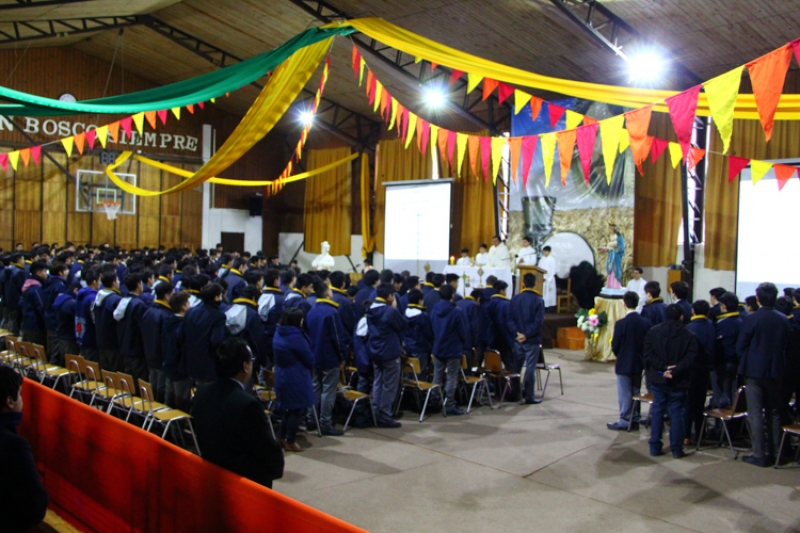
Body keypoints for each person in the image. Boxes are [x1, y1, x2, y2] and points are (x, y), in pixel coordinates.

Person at [192, 337, 284, 488]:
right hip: (243, 482)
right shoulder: (248, 404)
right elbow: (266, 449)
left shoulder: (201, 392)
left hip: (211, 473)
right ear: (245, 366)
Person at [737, 282, 789, 467]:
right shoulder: (784, 319)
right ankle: (777, 452)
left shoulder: (752, 319)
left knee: (756, 413)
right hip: (776, 371)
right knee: (774, 412)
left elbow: (741, 345)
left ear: (757, 299)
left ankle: (759, 454)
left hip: (754, 371)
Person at [643, 304, 697, 458]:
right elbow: (691, 357)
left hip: (659, 378)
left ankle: (654, 446)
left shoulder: (653, 332)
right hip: (679, 379)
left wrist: (663, 368)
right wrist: (675, 369)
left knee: (658, 411)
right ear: (681, 316)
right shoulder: (689, 334)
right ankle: (676, 449)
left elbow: (649, 355)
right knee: (677, 412)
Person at [0, 366, 49, 532]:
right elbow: (34, 507)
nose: (22, 400)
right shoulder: (14, 446)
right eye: (19, 394)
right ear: (10, 401)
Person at [306, 280, 348, 436]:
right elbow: (337, 338)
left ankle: (312, 419)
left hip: (313, 355)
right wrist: (343, 356)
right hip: (329, 357)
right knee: (328, 391)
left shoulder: (311, 310)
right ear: (328, 293)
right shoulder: (332, 312)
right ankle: (325, 422)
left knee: (315, 387)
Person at [273, 308, 317, 452]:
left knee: (288, 408)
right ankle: (290, 441)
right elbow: (308, 358)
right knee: (296, 410)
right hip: (296, 376)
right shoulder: (295, 336)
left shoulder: (279, 332)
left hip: (282, 374)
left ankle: (280, 436)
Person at [366, 282, 406, 428]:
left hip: (375, 350)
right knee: (390, 385)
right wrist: (394, 307)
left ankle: (375, 412)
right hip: (389, 351)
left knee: (377, 383)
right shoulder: (390, 311)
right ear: (389, 296)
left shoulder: (370, 308)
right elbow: (402, 326)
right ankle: (385, 415)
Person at [608, 291, 650, 430]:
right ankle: (635, 417)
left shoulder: (621, 324)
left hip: (624, 362)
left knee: (625, 392)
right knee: (636, 390)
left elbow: (616, 346)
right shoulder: (645, 322)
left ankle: (626, 419)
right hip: (639, 362)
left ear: (624, 304)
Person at [430, 284, 468, 415]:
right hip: (453, 348)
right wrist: (462, 342)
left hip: (438, 347)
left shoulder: (434, 310)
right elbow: (462, 332)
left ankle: (435, 401)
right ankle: (449, 404)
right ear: (452, 296)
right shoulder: (456, 312)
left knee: (437, 375)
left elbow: (432, 328)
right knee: (452, 377)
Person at [510, 273, 545, 405]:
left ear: (523, 283)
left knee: (516, 368)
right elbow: (538, 322)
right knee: (530, 368)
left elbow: (510, 319)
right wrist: (527, 334)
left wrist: (517, 333)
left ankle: (515, 393)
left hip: (517, 339)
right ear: (535, 283)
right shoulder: (538, 300)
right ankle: (529, 396)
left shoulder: (515, 299)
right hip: (531, 340)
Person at [183, 283, 227, 384]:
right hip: (208, 363)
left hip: (191, 360)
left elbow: (182, 334)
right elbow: (216, 341)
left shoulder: (191, 311)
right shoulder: (218, 316)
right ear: (216, 297)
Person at [685, 300, 715, 444]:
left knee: (688, 404)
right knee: (700, 404)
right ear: (708, 312)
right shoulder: (712, 327)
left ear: (693, 311)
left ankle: (686, 434)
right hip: (705, 371)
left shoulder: (688, 328)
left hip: (691, 371)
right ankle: (700, 433)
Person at [141, 282, 175, 403]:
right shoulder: (166, 315)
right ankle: (158, 418)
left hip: (149, 355)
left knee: (152, 386)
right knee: (160, 390)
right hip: (161, 358)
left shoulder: (148, 310)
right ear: (166, 296)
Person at [115, 273, 149, 382]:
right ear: (139, 285)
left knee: (129, 380)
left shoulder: (122, 300)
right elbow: (143, 328)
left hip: (124, 347)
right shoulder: (139, 304)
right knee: (140, 381)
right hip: (136, 349)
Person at [711, 292, 742, 409]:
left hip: (722, 364)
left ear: (723, 306)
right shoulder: (741, 322)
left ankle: (720, 425)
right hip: (736, 363)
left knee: (719, 395)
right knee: (733, 393)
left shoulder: (721, 324)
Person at [163, 292, 192, 412]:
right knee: (182, 403)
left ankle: (168, 429)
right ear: (183, 307)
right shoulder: (183, 325)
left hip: (168, 365)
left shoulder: (167, 321)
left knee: (169, 400)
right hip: (181, 369)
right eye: (189, 303)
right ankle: (178, 428)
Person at [94, 269, 123, 372]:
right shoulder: (115, 299)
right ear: (114, 283)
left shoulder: (98, 295)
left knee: (106, 373)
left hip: (100, 339)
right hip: (112, 342)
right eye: (118, 280)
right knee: (116, 372)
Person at [403, 289, 434, 380]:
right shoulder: (422, 316)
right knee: (420, 374)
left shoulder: (405, 313)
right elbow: (428, 333)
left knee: (409, 373)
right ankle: (421, 394)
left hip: (408, 347)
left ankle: (408, 393)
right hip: (420, 348)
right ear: (420, 300)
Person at [486, 280, 515, 372]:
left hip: (491, 338)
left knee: (493, 366)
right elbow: (504, 323)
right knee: (510, 366)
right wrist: (510, 341)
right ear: (501, 291)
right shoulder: (506, 304)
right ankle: (511, 385)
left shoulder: (489, 303)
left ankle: (493, 385)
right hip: (503, 340)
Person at [43, 262, 68, 365]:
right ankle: (51, 379)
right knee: (56, 351)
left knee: (50, 348)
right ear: (60, 272)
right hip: (55, 321)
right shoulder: (59, 286)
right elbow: (59, 305)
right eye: (66, 270)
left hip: (47, 318)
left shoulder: (48, 282)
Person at [457, 289, 488, 368]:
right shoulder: (474, 306)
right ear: (479, 299)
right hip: (469, 342)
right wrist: (476, 343)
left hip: (457, 342)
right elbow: (476, 326)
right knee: (469, 368)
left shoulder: (458, 303)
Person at [20, 260, 48, 346]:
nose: (46, 274)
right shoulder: (36, 288)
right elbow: (41, 307)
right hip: (35, 326)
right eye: (44, 271)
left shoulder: (28, 284)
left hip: (26, 323)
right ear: (39, 273)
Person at [75, 268, 101, 362]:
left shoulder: (80, 294)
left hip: (81, 333)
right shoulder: (92, 298)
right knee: (92, 367)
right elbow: (95, 319)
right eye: (99, 281)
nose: (100, 283)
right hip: (90, 337)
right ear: (94, 282)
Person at [53, 282, 81, 359]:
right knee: (72, 362)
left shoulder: (60, 299)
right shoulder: (71, 304)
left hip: (61, 335)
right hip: (70, 336)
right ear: (76, 290)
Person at [599, 223, 625, 289]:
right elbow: (609, 248)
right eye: (609, 228)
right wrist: (604, 249)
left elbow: (622, 247)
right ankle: (610, 285)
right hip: (611, 256)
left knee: (615, 270)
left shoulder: (619, 236)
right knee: (610, 270)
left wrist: (615, 247)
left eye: (611, 228)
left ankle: (616, 285)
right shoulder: (611, 236)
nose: (610, 230)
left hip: (616, 256)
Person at [537, 245, 557, 309]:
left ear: (549, 252)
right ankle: (542, 306)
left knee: (548, 294)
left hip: (548, 279)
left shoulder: (552, 260)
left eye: (546, 251)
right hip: (541, 279)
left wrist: (546, 278)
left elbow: (552, 270)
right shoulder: (541, 260)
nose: (544, 253)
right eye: (544, 251)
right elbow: (538, 268)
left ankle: (549, 307)